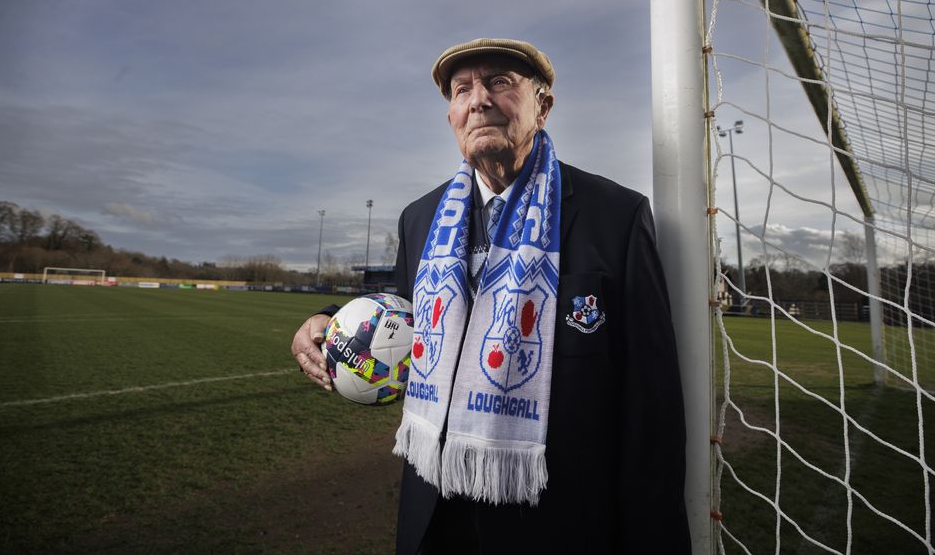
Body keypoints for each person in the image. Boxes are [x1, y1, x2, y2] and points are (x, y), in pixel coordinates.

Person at [292, 38, 690, 554]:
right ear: (452, 115)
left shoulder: (615, 217)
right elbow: (408, 310)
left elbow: (651, 412)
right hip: (434, 514)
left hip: (558, 522)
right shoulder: (421, 218)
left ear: (542, 105)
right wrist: (328, 318)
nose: (478, 99)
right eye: (462, 89)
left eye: (500, 82)